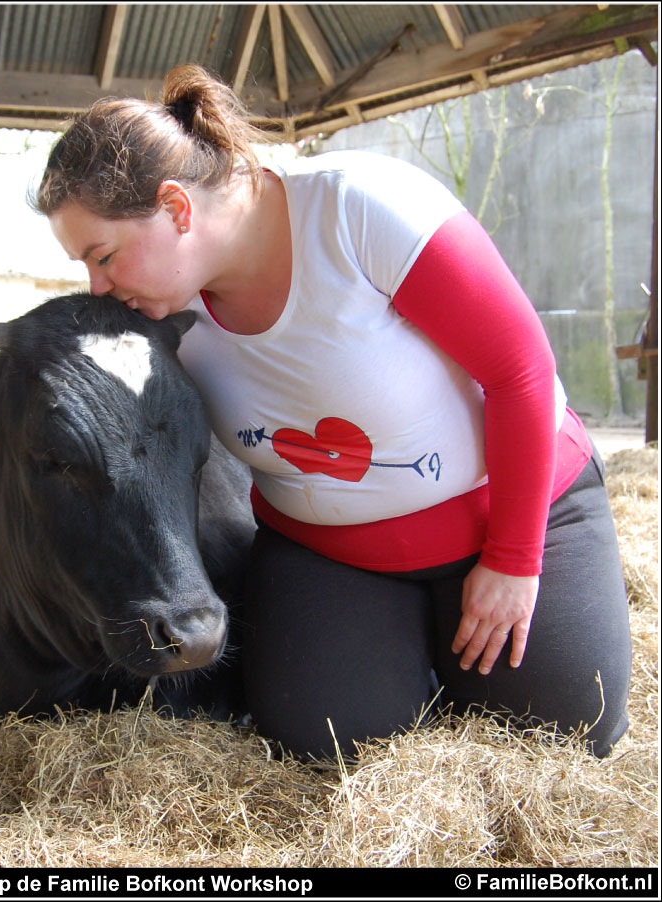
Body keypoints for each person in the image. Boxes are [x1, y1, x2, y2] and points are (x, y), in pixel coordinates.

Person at [31, 64, 632, 760]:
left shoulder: (362, 206)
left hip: (515, 516)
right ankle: (415, 656)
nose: (98, 287)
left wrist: (514, 559)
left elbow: (520, 369)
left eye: (103, 257)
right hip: (331, 554)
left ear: (176, 208)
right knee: (322, 745)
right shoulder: (154, 315)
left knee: (562, 735)